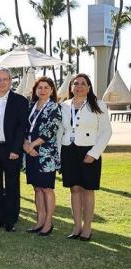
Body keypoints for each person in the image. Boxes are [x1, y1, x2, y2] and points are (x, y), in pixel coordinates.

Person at [60, 73, 112, 241]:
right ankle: (77, 227)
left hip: (89, 151)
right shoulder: (64, 106)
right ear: (71, 87)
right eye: (76, 83)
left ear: (89, 87)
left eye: (83, 83)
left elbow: (106, 132)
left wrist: (94, 154)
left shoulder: (99, 105)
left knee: (87, 190)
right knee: (74, 189)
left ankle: (87, 228)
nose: (79, 86)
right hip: (69, 150)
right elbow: (60, 130)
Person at [0, 67, 28, 232]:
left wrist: (16, 149)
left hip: (11, 149)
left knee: (11, 185)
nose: (2, 82)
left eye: (5, 79)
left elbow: (21, 127)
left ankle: (10, 220)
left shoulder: (20, 100)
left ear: (10, 81)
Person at [23, 77, 62, 237]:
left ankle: (48, 222)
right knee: (37, 188)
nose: (43, 90)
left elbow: (50, 131)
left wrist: (31, 145)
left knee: (46, 188)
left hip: (45, 155)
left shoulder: (55, 107)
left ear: (52, 90)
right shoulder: (31, 106)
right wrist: (26, 144)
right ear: (35, 90)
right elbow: (25, 127)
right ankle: (39, 220)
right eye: (40, 87)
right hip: (31, 153)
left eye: (46, 87)